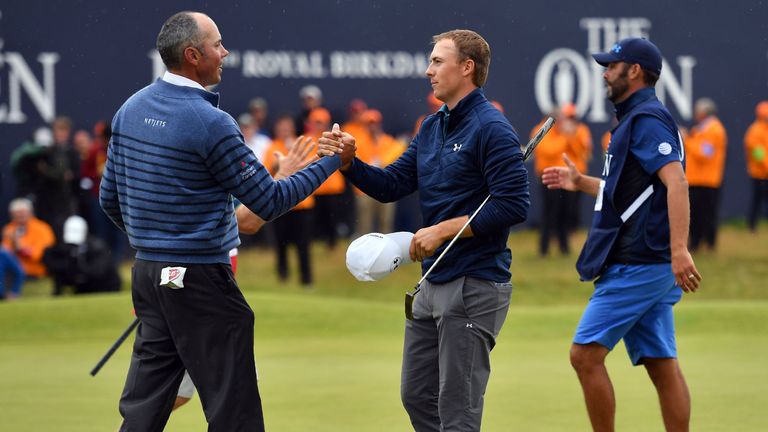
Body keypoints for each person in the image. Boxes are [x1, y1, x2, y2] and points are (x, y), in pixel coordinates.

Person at [99, 11, 350, 431]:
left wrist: (160, 241)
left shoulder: (131, 108)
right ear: (194, 55)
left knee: (143, 410)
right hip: (199, 280)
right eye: (217, 44)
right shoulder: (210, 122)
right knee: (235, 412)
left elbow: (111, 201)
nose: (225, 52)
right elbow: (268, 202)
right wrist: (331, 163)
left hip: (148, 275)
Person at [320, 29, 529, 431]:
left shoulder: (492, 128)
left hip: (475, 282)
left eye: (437, 61)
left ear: (466, 67)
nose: (427, 70)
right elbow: (391, 185)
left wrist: (444, 230)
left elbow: (513, 204)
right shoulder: (433, 127)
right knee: (417, 396)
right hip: (432, 281)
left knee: (457, 411)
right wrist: (350, 162)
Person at [542, 38, 701, 432]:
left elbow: (677, 183)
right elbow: (630, 193)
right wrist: (580, 182)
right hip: (646, 260)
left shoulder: (647, 119)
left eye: (612, 65)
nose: (604, 71)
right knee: (662, 365)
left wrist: (679, 249)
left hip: (639, 261)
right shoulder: (635, 119)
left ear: (634, 71)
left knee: (584, 356)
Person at [684, 97, 727, 251]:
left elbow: (705, 153)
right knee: (696, 215)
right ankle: (697, 243)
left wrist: (687, 140)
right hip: (697, 179)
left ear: (704, 113)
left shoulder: (714, 130)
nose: (696, 114)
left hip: (707, 180)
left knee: (706, 214)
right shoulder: (701, 129)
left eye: (698, 111)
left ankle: (708, 244)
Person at [42, 215, 121, 295]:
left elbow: (99, 272)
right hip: (83, 288)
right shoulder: (64, 248)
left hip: (103, 288)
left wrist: (80, 269)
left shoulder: (97, 248)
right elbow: (50, 262)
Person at [1, 198, 55, 280]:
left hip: (33, 270)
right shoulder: (9, 228)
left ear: (30, 213)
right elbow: (5, 252)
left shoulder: (42, 228)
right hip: (11, 270)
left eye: (22, 213)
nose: (20, 216)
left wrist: (18, 245)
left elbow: (39, 255)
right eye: (17, 213)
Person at [744, 101, 768, 231]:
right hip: (759, 173)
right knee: (757, 201)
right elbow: (758, 153)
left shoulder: (764, 129)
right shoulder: (755, 131)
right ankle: (752, 226)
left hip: (764, 172)